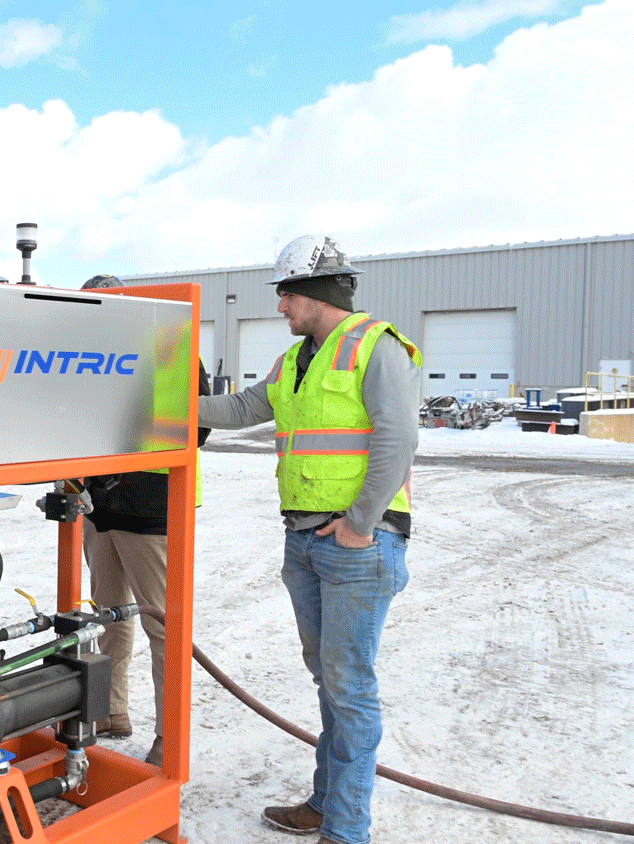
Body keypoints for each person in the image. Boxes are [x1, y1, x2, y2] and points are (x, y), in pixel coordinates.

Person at [197, 236, 421, 844]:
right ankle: (326, 805)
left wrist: (360, 523)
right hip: (305, 540)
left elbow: (397, 440)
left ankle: (346, 829)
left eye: (286, 295)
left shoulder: (378, 349)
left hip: (357, 545)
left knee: (348, 684)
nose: (280, 308)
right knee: (329, 678)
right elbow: (247, 407)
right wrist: (172, 408)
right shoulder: (299, 358)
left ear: (315, 295)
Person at [78, 273, 209, 768]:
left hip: (153, 505)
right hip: (100, 507)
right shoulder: (90, 358)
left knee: (163, 627)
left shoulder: (171, 347)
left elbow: (197, 428)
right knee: (108, 616)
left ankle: (167, 736)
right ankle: (111, 713)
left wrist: (125, 444)